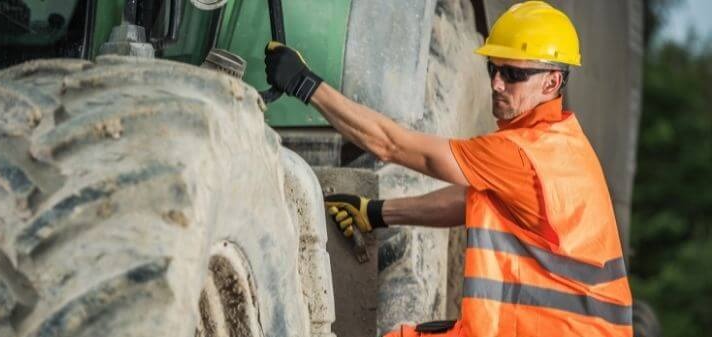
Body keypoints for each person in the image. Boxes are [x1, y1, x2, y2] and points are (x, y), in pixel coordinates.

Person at [264, 1, 633, 337]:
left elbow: (391, 145)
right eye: (493, 68)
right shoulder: (562, 143)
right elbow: (473, 202)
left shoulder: (521, 155)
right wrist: (376, 213)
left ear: (552, 81)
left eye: (513, 74)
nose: (496, 83)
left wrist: (305, 84)